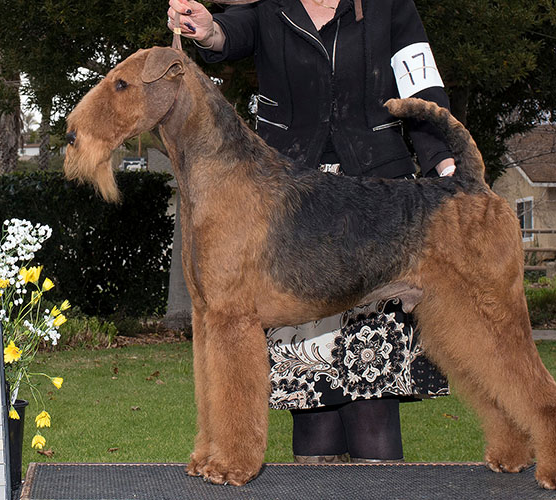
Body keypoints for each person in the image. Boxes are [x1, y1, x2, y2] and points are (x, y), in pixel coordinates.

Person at [167, 0, 453, 463]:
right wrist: (206, 28)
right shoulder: (268, 9)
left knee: (373, 402)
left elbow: (423, 88)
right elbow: (224, 33)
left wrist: (444, 161)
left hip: (378, 210)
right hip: (289, 210)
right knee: (310, 406)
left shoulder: (391, 7)